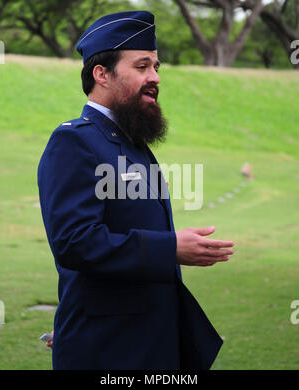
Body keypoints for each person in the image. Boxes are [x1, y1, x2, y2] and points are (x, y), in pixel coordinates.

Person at [38, 10, 234, 370]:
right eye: (142, 66)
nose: (154, 78)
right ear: (102, 74)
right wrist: (170, 247)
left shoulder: (132, 143)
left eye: (156, 67)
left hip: (148, 343)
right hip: (110, 350)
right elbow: (75, 242)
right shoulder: (74, 141)